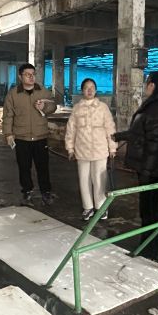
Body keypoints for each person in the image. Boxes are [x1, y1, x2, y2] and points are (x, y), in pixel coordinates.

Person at [113, 71, 158, 260]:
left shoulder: (156, 110)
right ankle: (154, 246)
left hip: (152, 170)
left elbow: (155, 146)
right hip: (152, 169)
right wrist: (118, 136)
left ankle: (151, 249)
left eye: (147, 82)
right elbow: (140, 133)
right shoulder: (155, 107)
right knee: (151, 208)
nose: (144, 85)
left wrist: (147, 172)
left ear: (153, 86)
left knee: (150, 210)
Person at [2, 63, 57, 205]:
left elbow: (53, 106)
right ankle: (26, 192)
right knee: (24, 167)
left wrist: (45, 107)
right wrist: (8, 133)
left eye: (33, 74)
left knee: (43, 167)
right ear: (20, 77)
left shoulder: (43, 91)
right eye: (27, 74)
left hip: (40, 136)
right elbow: (8, 115)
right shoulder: (13, 94)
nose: (31, 77)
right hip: (21, 137)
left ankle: (46, 192)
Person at [65, 78, 117, 221]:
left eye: (92, 87)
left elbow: (110, 128)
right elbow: (71, 130)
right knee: (84, 180)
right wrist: (70, 148)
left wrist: (112, 148)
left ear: (96, 90)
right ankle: (87, 207)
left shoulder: (102, 107)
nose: (90, 90)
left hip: (100, 150)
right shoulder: (77, 108)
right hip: (82, 151)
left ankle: (101, 208)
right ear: (82, 90)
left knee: (100, 180)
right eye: (86, 88)